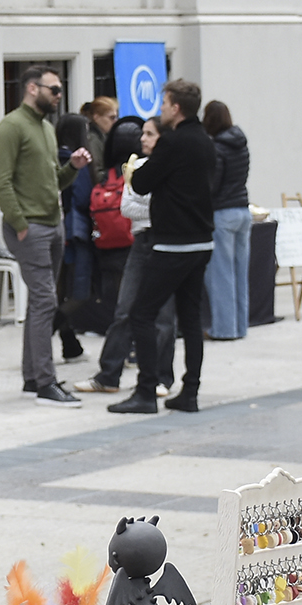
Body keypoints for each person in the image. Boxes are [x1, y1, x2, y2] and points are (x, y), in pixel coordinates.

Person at [110, 79, 215, 416]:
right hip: (202, 241)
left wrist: (140, 171)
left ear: (176, 108)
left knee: (142, 314)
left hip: (173, 244)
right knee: (190, 318)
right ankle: (190, 391)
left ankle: (145, 391)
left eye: (164, 103)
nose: (161, 108)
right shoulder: (205, 140)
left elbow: (141, 184)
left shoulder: (172, 142)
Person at [0, 65, 83, 406]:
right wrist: (20, 223)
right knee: (45, 301)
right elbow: (0, 182)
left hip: (52, 224)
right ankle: (46, 382)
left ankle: (33, 377)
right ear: (33, 88)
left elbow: (53, 180)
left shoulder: (45, 127)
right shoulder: (11, 126)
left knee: (41, 302)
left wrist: (73, 168)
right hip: (30, 228)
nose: (58, 95)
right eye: (53, 89)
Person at [75, 117, 176, 397]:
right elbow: (127, 207)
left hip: (165, 241)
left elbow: (170, 205)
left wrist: (152, 204)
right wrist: (157, 204)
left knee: (164, 315)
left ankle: (162, 378)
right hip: (140, 243)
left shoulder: (173, 165)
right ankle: (108, 375)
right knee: (124, 309)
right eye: (142, 134)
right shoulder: (137, 166)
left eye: (149, 134)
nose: (142, 139)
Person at [202, 99, 252, 340]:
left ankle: (224, 329)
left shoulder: (217, 147)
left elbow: (214, 184)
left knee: (221, 274)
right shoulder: (241, 143)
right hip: (243, 210)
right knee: (241, 273)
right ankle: (240, 326)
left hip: (222, 213)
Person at [55, 111, 96, 362]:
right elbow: (83, 197)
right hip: (77, 231)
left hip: (58, 228)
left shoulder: (54, 157)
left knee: (59, 290)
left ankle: (70, 345)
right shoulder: (77, 161)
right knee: (81, 291)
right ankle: (47, 330)